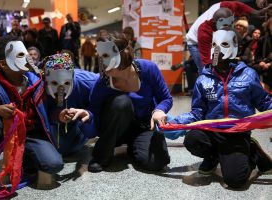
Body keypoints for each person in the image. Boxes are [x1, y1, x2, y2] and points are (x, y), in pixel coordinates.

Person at [173, 28, 272, 189]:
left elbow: (264, 103)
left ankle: (253, 153)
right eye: (214, 45)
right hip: (212, 132)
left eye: (224, 44)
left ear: (234, 47)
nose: (218, 49)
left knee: (235, 180)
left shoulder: (248, 75)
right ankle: (212, 157)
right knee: (192, 139)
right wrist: (174, 122)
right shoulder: (203, 79)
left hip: (237, 132)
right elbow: (197, 113)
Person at [0, 37, 63, 188]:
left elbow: (49, 109)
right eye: (21, 55)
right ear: (3, 65)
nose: (28, 57)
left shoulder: (37, 83)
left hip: (31, 135)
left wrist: (59, 115)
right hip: (6, 136)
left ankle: (25, 159)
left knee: (54, 164)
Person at [88, 34, 171, 172]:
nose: (102, 65)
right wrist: (87, 119)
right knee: (122, 102)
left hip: (142, 126)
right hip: (115, 127)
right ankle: (101, 156)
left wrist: (159, 110)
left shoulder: (148, 69)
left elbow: (166, 98)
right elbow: (94, 109)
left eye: (107, 59)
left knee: (157, 162)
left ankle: (135, 146)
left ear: (122, 59)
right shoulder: (104, 81)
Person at [186, 1, 272, 74]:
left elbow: (239, 5)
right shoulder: (204, 31)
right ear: (216, 23)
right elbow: (207, 60)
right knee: (205, 71)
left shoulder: (227, 7)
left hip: (214, 39)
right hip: (195, 42)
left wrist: (254, 12)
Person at [43, 53, 99, 155]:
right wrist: (56, 115)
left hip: (81, 121)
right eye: (55, 83)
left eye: (66, 83)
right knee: (60, 148)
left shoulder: (88, 81)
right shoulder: (39, 87)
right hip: (55, 125)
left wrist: (89, 114)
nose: (61, 90)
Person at [254, 17, 272, 91]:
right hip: (263, 65)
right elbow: (257, 55)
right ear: (269, 25)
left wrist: (269, 64)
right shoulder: (262, 39)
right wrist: (261, 62)